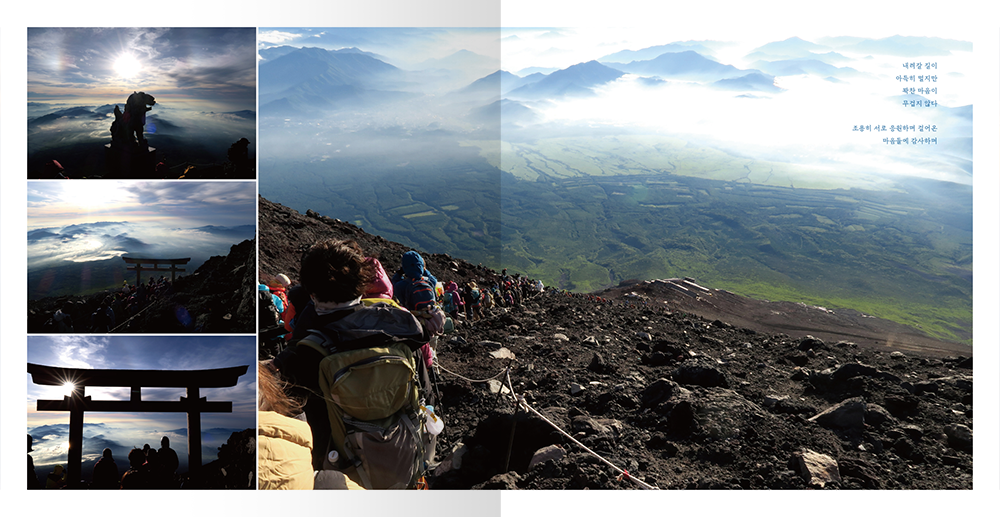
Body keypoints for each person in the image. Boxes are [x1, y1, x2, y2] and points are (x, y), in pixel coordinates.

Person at [273, 239, 432, 487]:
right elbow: (424, 392)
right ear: (361, 284)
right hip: (403, 457)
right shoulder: (402, 329)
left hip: (342, 471)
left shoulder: (303, 354)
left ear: (311, 292)